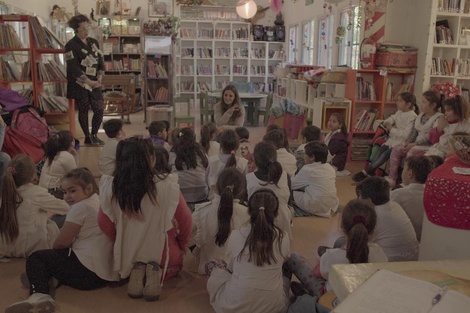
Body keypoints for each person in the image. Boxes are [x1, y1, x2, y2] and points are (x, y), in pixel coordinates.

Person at [5, 168, 118, 313]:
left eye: (72, 191)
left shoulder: (80, 207)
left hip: (87, 273)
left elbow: (61, 243)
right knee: (58, 255)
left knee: (37, 258)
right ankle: (50, 278)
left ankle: (39, 296)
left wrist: (53, 252)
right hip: (103, 273)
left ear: (89, 188)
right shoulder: (97, 199)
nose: (67, 196)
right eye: (65, 192)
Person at [99, 137, 192, 301]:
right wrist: (183, 245)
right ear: (151, 159)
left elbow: (103, 222)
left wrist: (120, 238)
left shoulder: (111, 187)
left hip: (125, 256)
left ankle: (137, 270)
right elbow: (186, 222)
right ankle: (153, 270)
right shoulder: (167, 186)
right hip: (166, 262)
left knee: (130, 257)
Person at [283, 199, 388, 310]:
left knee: (293, 258)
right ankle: (305, 294)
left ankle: (306, 296)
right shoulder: (379, 252)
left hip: (331, 299)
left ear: (342, 226)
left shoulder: (333, 256)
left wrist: (324, 259)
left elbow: (317, 273)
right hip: (366, 300)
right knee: (336, 247)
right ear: (372, 230)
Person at [206, 189, 290, 313]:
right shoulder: (283, 238)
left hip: (236, 304)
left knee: (213, 264)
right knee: (287, 267)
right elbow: (286, 259)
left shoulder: (236, 235)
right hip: (273, 306)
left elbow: (231, 267)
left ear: (249, 211)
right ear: (276, 213)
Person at [0, 155, 69, 258]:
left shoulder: (6, 193)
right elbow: (66, 208)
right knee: (59, 219)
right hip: (31, 248)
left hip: (8, 248)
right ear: (33, 174)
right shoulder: (37, 193)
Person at [192, 168, 249, 275]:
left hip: (206, 272)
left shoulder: (201, 212)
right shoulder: (247, 214)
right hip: (237, 272)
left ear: (216, 187)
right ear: (242, 190)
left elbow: (186, 235)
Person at [353, 92, 418, 182]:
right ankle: (371, 173)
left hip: (400, 143)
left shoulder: (413, 116)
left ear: (408, 104)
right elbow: (391, 118)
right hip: (391, 140)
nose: (397, 103)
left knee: (383, 156)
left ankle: (365, 172)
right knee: (378, 153)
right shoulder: (399, 112)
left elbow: (405, 135)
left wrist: (391, 129)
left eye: (399, 101)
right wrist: (387, 122)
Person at [385, 91, 443, 187]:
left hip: (427, 146)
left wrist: (414, 144)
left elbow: (431, 137)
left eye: (424, 102)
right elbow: (414, 132)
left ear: (433, 105)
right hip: (414, 143)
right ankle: (392, 178)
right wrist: (407, 143)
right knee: (397, 149)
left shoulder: (438, 118)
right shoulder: (420, 115)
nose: (420, 104)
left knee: (411, 152)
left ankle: (407, 182)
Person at [356, 176, 419, 261]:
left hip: (389, 263)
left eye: (360, 196)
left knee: (343, 243)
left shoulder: (373, 215)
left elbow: (359, 242)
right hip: (413, 257)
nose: (358, 199)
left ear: (369, 200)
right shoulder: (395, 205)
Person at [65, 14, 105, 146]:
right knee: (83, 110)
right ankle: (87, 137)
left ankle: (94, 134)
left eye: (87, 27)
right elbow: (73, 68)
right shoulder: (70, 45)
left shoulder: (93, 42)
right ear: (76, 30)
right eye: (82, 29)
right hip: (80, 83)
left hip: (95, 82)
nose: (86, 31)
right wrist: (88, 81)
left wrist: (99, 76)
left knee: (99, 108)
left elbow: (100, 60)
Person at [246, 141, 292, 239]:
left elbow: (245, 203)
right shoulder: (285, 176)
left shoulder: (248, 178)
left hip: (255, 221)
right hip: (281, 221)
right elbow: (289, 201)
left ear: (255, 160)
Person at [390, 156, 435, 241]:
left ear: (410, 173)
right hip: (427, 240)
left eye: (404, 169)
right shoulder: (434, 195)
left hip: (404, 240)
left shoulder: (398, 194)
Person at [291, 142, 339, 218]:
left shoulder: (308, 169)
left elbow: (292, 185)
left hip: (315, 205)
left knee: (290, 191)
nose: (304, 156)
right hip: (331, 205)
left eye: (305, 154)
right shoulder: (330, 168)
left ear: (312, 157)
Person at [169, 127, 209, 207]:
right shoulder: (200, 151)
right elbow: (207, 167)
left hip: (180, 191)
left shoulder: (173, 152)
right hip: (201, 190)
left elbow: (168, 169)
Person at [206, 129, 248, 199]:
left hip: (214, 198)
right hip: (237, 199)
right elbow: (245, 184)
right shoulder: (243, 162)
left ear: (221, 145)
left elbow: (206, 181)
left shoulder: (212, 160)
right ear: (237, 146)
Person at [39, 131, 78, 199]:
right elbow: (76, 176)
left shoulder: (52, 154)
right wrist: (75, 155)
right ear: (70, 143)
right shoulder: (66, 156)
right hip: (54, 193)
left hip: (43, 190)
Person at [324, 112, 350, 177]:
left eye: (334, 121)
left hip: (336, 163)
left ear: (340, 125)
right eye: (329, 120)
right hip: (330, 158)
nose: (330, 123)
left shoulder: (338, 138)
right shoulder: (330, 134)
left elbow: (330, 153)